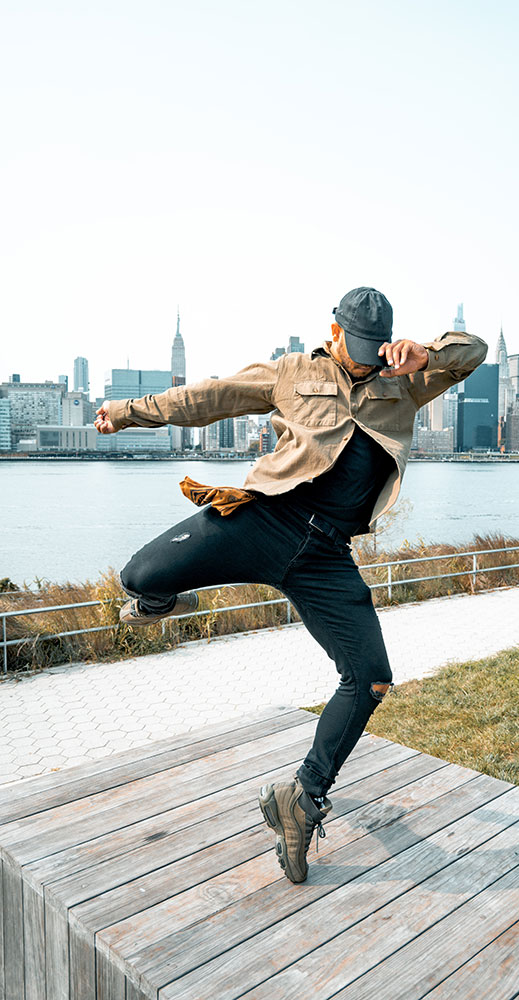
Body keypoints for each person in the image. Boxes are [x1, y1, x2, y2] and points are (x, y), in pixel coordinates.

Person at [95, 287, 487, 883]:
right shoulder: (292, 373)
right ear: (334, 333)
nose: (361, 358)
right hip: (265, 520)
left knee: (370, 677)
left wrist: (425, 353)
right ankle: (161, 601)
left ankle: (301, 800)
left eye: (372, 347)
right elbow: (209, 396)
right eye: (353, 346)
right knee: (138, 576)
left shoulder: (405, 380)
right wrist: (127, 413)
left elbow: (474, 351)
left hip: (325, 556)